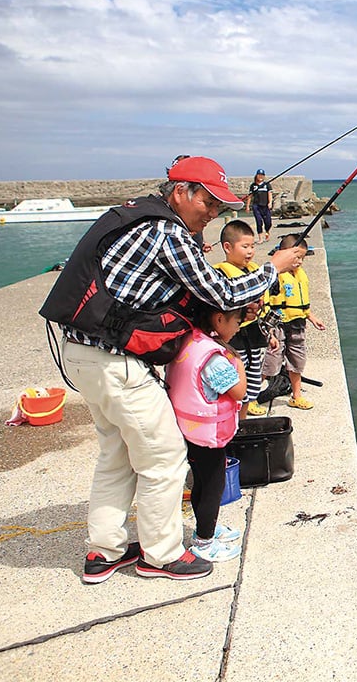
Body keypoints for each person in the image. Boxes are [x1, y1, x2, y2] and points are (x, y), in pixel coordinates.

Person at [39, 156, 304, 584]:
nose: (214, 214)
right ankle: (160, 556)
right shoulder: (165, 230)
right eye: (209, 203)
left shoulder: (136, 218)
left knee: (118, 456)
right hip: (114, 363)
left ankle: (103, 551)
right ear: (181, 192)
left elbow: (176, 294)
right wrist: (273, 267)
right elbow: (218, 287)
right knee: (165, 458)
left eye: (220, 207)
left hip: (84, 354)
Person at [166, 300, 247, 563]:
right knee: (213, 485)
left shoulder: (191, 340)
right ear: (219, 319)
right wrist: (238, 362)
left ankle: (204, 529)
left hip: (190, 430)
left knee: (200, 481)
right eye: (236, 321)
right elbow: (239, 392)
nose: (238, 328)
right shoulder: (214, 358)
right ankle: (204, 541)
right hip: (207, 434)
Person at [214, 219, 276, 417]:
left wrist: (270, 334)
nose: (250, 251)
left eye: (252, 246)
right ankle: (234, 418)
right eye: (245, 246)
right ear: (227, 247)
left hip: (255, 334)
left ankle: (245, 418)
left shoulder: (255, 271)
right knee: (235, 378)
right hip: (234, 336)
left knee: (253, 377)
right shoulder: (219, 274)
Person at [262, 234, 325, 410]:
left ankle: (296, 396)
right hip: (278, 324)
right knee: (271, 361)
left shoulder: (300, 275)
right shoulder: (274, 276)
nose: (299, 262)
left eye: (302, 258)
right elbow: (265, 302)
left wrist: (311, 317)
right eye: (296, 257)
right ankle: (251, 397)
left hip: (297, 324)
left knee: (297, 360)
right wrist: (268, 330)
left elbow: (303, 302)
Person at [248, 169, 273, 243]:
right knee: (259, 221)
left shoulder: (267, 185)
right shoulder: (253, 186)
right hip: (256, 206)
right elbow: (250, 196)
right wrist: (247, 206)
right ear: (256, 175)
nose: (260, 177)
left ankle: (267, 232)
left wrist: (270, 202)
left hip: (265, 206)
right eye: (259, 175)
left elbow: (270, 194)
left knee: (268, 222)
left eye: (262, 175)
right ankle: (260, 238)